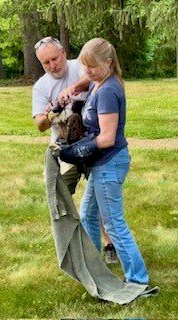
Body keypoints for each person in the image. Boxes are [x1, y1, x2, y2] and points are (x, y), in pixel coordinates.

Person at [58, 38, 149, 284]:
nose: (87, 71)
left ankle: (138, 279)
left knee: (114, 224)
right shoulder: (100, 81)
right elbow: (88, 78)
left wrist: (76, 151)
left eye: (92, 66)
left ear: (108, 62)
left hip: (110, 162)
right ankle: (94, 269)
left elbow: (107, 138)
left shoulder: (108, 90)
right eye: (84, 65)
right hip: (103, 164)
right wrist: (74, 87)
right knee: (88, 214)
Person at [32, 36, 118, 264]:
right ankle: (69, 244)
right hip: (65, 149)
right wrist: (54, 109)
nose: (53, 65)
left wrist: (73, 87)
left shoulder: (80, 65)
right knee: (59, 198)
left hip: (92, 145)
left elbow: (93, 78)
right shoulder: (41, 86)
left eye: (55, 58)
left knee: (100, 198)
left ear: (63, 53)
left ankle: (109, 244)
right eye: (46, 63)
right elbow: (40, 124)